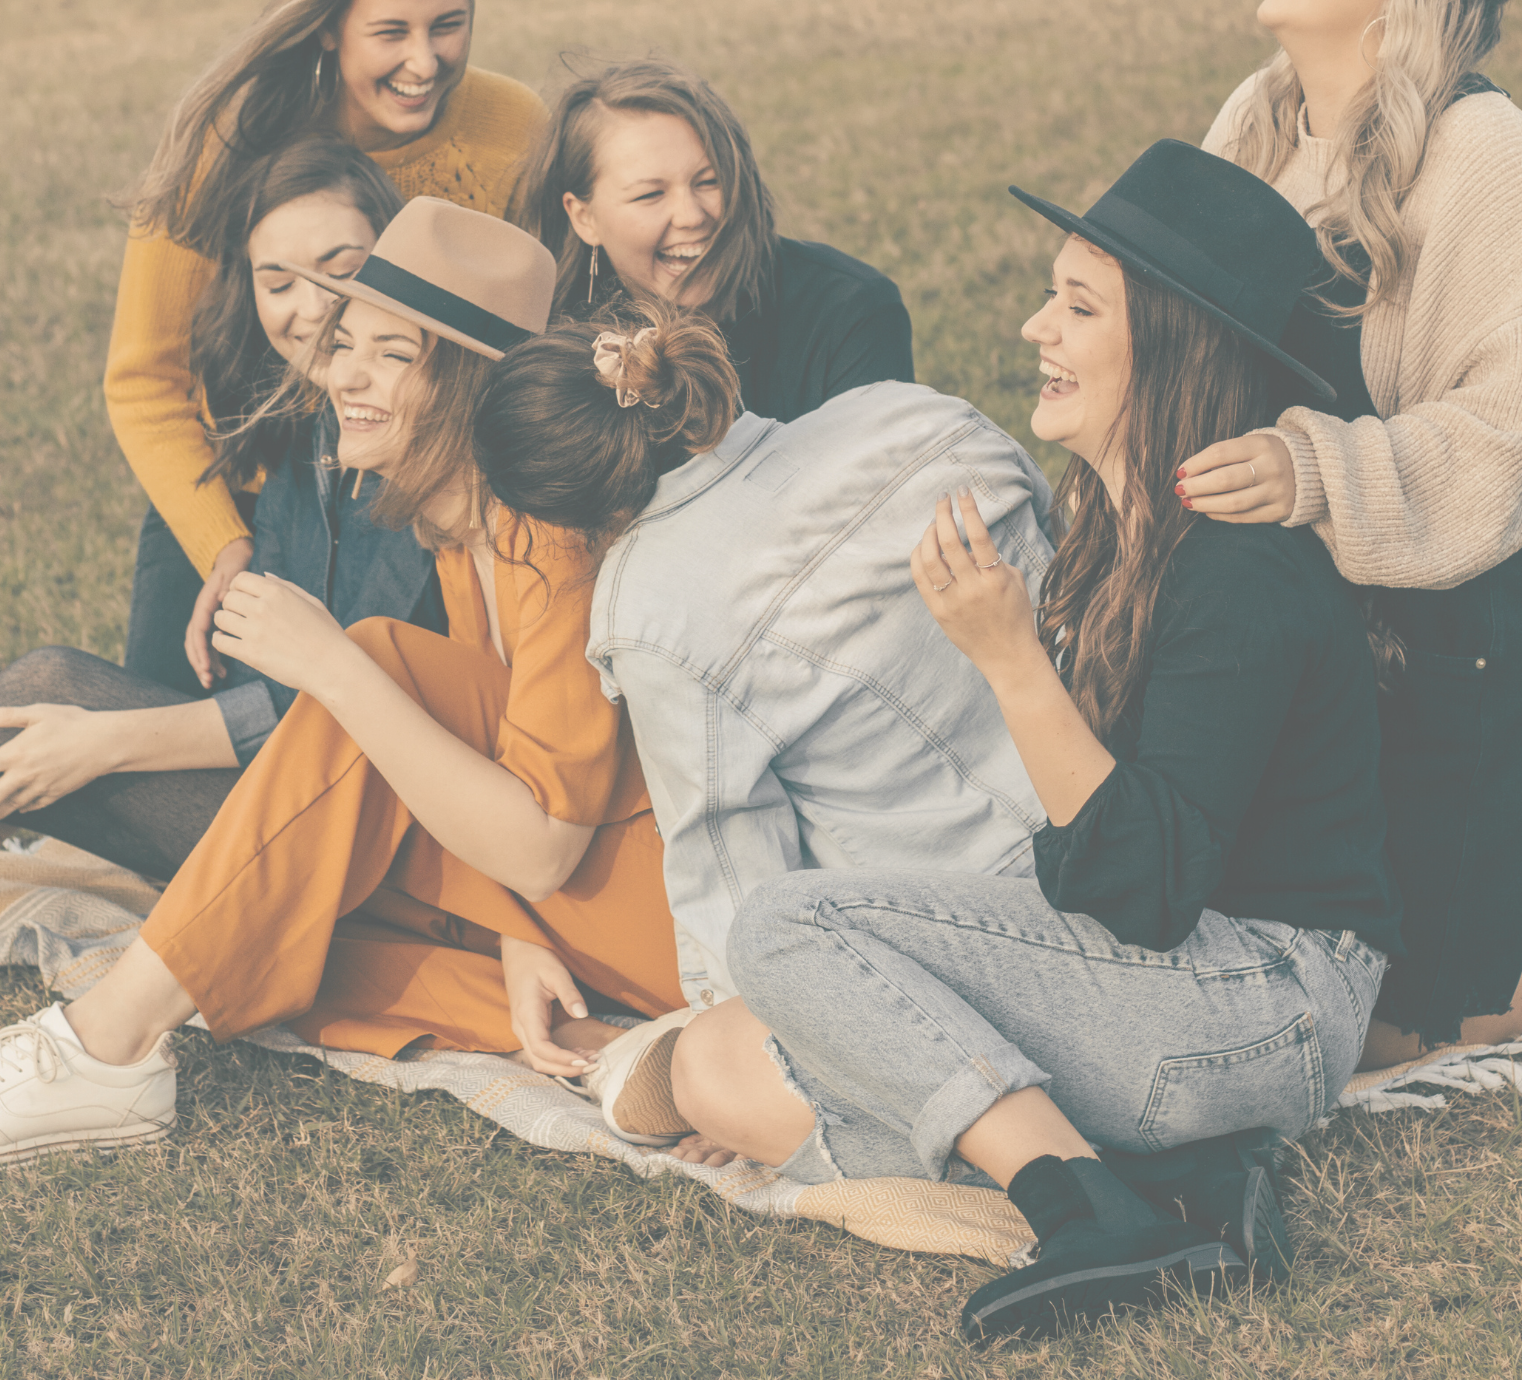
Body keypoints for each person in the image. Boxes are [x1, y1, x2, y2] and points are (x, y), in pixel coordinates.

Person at [659, 143, 1400, 1342]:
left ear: (1174, 346)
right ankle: (1178, 1178)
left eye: (1078, 306)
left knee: (785, 928)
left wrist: (1009, 659)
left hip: (1268, 1002)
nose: (1032, 327)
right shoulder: (1117, 533)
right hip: (1176, 991)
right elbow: (1087, 875)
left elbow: (1143, 889)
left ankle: (1083, 1210)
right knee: (717, 1060)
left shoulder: (1238, 571)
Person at [0, 202, 687, 1166]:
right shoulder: (460, 528)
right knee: (276, 935)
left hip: (663, 907)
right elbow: (498, 770)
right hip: (561, 902)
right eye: (346, 344)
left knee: (375, 666)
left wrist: (331, 662)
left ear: (470, 385)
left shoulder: (552, 537)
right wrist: (514, 936)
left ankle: (105, 1044)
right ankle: (599, 1042)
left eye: (391, 355)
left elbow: (543, 848)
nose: (342, 376)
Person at [1183, 0, 1522, 1066]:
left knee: (1398, 1032)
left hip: (1435, 654)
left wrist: (1311, 470)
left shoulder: (1484, 151)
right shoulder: (1257, 117)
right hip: (1266, 613)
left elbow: (1504, 429)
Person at [472, 304, 1056, 1016]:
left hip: (980, 940)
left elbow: (738, 893)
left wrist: (730, 1045)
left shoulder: (650, 611)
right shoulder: (908, 410)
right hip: (1126, 802)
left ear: (562, 515)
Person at [107, 0, 545, 698]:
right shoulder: (227, 143)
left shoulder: (512, 127)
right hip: (240, 488)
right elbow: (143, 382)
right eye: (391, 32)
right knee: (152, 731)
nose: (425, 62)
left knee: (356, 718)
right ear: (327, 25)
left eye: (448, 24)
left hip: (415, 496)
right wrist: (224, 545)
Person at [0, 140, 445, 880]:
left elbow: (331, 703)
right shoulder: (309, 423)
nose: (312, 308)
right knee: (38, 704)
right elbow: (265, 680)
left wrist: (107, 743)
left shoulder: (420, 449)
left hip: (383, 836)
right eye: (279, 282)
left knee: (43, 707)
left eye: (341, 270)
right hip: (296, 785)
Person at [516, 60, 913, 421]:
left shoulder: (849, 311)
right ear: (584, 218)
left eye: (709, 181)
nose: (691, 216)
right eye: (650, 194)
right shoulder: (538, 339)